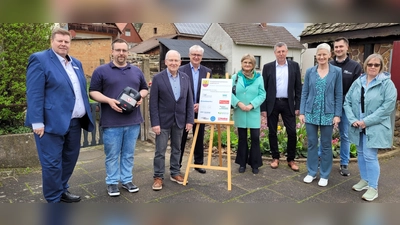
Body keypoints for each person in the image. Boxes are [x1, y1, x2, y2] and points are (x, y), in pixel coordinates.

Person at [25, 27, 94, 203]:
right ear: (52, 41)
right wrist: (37, 122)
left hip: (74, 122)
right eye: (60, 41)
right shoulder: (40, 59)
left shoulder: (76, 63)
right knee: (52, 164)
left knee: (70, 159)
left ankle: (61, 189)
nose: (63, 44)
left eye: (66, 41)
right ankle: (53, 199)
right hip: (50, 123)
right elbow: (34, 93)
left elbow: (78, 91)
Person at [89, 38, 149, 197]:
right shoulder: (101, 71)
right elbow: (93, 91)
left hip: (133, 121)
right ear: (112, 51)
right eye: (118, 50)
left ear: (127, 52)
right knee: (112, 155)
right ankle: (112, 182)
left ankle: (127, 180)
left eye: (124, 50)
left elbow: (144, 88)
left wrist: (140, 97)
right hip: (111, 122)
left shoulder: (136, 71)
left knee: (128, 154)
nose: (121, 53)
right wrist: (108, 100)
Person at [344, 53, 397, 201]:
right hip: (357, 125)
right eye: (370, 64)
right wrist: (353, 119)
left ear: (381, 67)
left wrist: (366, 121)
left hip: (374, 126)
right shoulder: (358, 82)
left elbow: (387, 108)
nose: (373, 67)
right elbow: (347, 101)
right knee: (361, 153)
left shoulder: (387, 84)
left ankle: (373, 187)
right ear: (365, 65)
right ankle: (365, 180)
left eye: (376, 65)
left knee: (369, 155)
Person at [317, 37, 362, 176]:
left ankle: (344, 163)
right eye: (336, 47)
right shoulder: (328, 64)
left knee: (345, 135)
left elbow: (356, 89)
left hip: (346, 106)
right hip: (329, 104)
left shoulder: (355, 66)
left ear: (347, 47)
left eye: (341, 47)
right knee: (325, 134)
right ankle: (320, 158)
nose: (338, 49)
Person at [299, 43, 342, 187]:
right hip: (311, 112)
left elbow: (338, 94)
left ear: (330, 55)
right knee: (311, 143)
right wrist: (302, 111)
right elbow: (304, 93)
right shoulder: (310, 71)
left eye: (324, 54)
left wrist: (337, 114)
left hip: (328, 113)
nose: (322, 57)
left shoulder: (337, 71)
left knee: (326, 145)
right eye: (319, 55)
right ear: (316, 56)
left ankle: (324, 174)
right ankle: (311, 172)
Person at [149, 50, 194, 191]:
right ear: (166, 62)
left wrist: (189, 120)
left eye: (176, 61)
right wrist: (155, 123)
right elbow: (153, 103)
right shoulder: (158, 78)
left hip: (180, 120)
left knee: (177, 149)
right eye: (171, 60)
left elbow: (189, 101)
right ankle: (158, 176)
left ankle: (175, 173)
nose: (174, 63)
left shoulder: (185, 78)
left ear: (180, 63)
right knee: (160, 151)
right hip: (162, 122)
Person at [260, 42, 302, 172]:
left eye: (283, 51)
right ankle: (275, 158)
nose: (281, 54)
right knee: (272, 132)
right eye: (279, 51)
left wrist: (298, 105)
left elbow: (298, 88)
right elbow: (263, 89)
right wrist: (264, 108)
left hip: (288, 103)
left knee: (292, 132)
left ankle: (291, 159)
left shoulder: (294, 66)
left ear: (287, 52)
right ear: (275, 53)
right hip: (272, 103)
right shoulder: (268, 67)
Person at [179, 45, 212, 174]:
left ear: (202, 57)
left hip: (200, 110)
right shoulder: (181, 70)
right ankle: (178, 164)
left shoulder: (207, 71)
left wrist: (201, 104)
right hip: (184, 110)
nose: (196, 57)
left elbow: (209, 92)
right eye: (194, 54)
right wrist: (189, 105)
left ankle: (198, 164)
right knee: (181, 137)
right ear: (189, 55)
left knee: (199, 136)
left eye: (198, 55)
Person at [231, 54, 266, 174]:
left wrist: (251, 105)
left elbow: (262, 94)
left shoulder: (258, 78)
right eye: (245, 62)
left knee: (255, 138)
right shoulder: (235, 77)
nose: (247, 65)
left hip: (253, 111)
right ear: (241, 63)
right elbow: (229, 93)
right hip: (240, 111)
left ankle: (255, 164)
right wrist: (238, 103)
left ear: (253, 65)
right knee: (242, 138)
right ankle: (242, 163)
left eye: (250, 63)